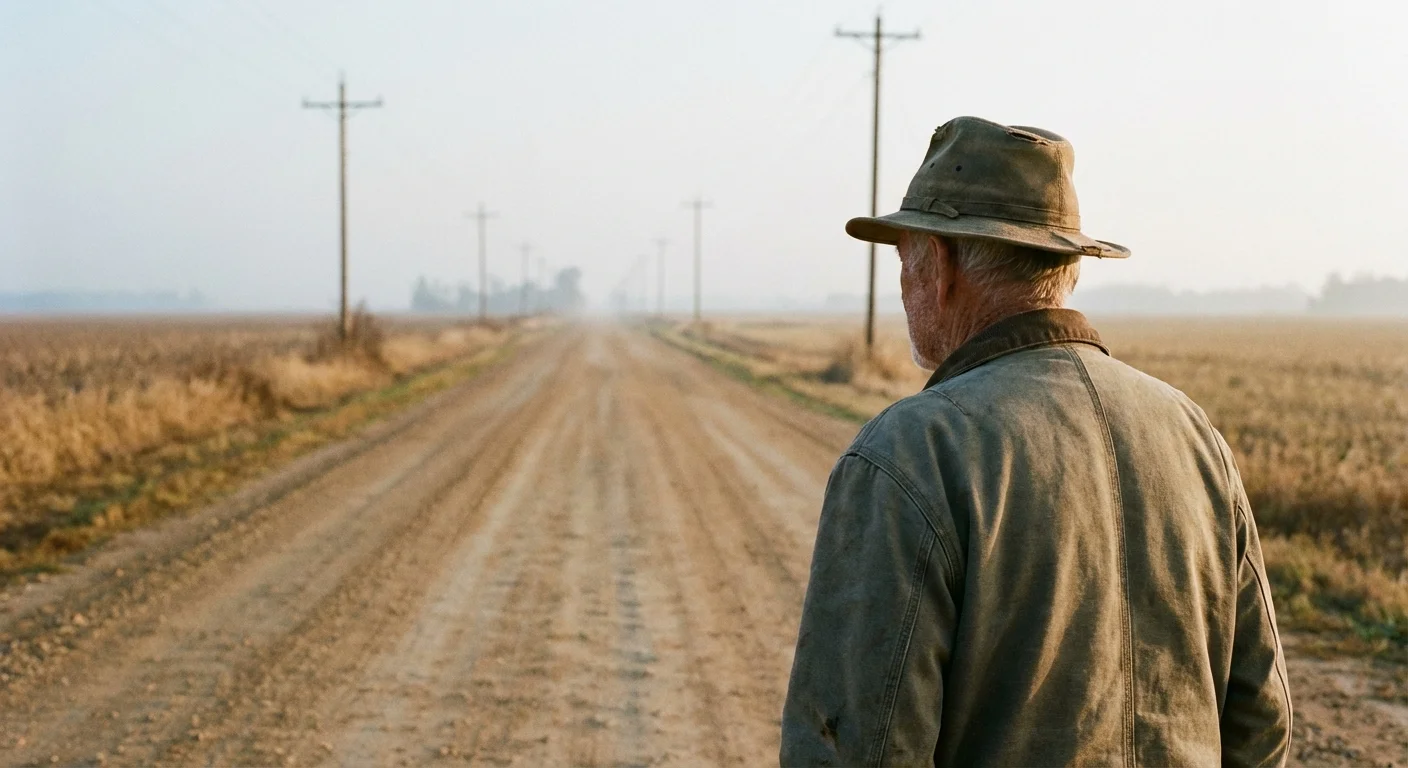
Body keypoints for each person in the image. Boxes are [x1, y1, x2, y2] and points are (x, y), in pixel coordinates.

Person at [780, 116, 1292, 767]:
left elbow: (856, 748)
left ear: (938, 266)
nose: (904, 286)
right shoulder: (1193, 436)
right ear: (1065, 269)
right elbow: (1261, 717)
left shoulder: (911, 451)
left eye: (904, 260)